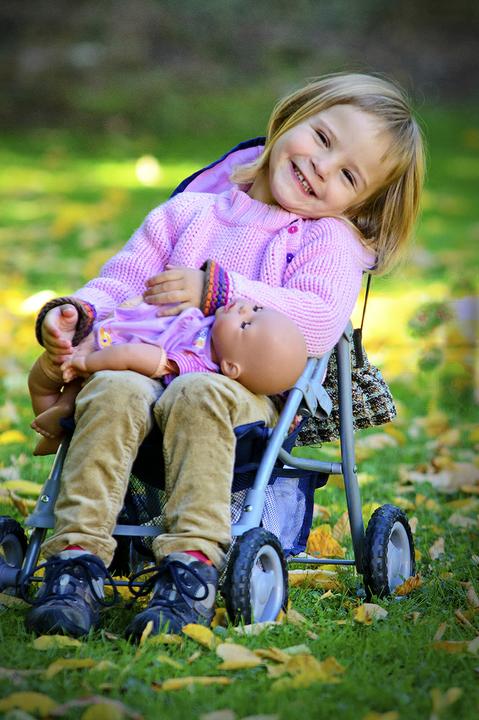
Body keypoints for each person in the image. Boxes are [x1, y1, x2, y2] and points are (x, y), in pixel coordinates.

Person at [25, 72, 425, 640]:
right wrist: (79, 313)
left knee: (199, 391)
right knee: (111, 388)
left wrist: (220, 290)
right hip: (144, 365)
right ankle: (76, 560)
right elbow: (123, 281)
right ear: (291, 117)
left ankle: (190, 565)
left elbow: (317, 318)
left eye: (348, 176)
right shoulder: (189, 213)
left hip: (240, 392)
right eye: (323, 139)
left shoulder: (326, 241)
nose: (322, 168)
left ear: (361, 203)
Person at [28, 297, 308, 455]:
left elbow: (133, 356)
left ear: (231, 368)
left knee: (41, 381)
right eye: (257, 308)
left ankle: (58, 424)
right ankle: (61, 416)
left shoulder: (192, 360)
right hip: (107, 339)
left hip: (106, 353)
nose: (244, 307)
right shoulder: (211, 330)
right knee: (56, 384)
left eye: (245, 324)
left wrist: (87, 363)